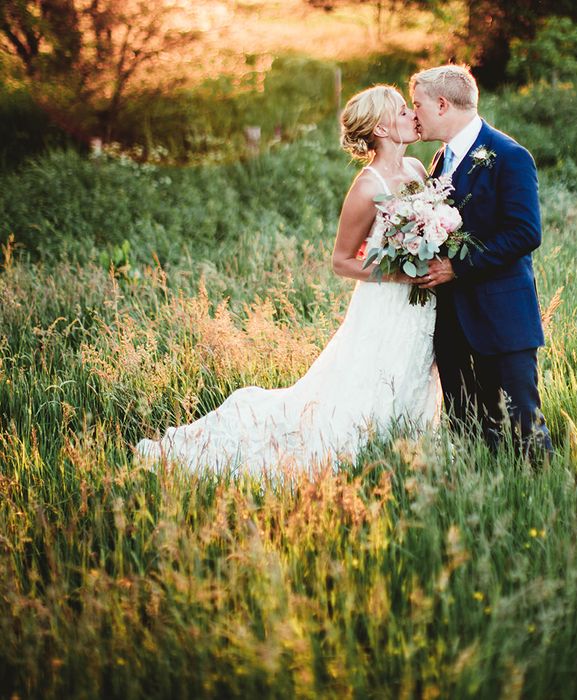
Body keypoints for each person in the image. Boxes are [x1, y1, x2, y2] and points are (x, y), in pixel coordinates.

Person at [135, 86, 440, 474]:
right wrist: (396, 274)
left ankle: (406, 449)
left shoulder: (416, 169)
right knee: (371, 375)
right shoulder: (367, 187)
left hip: (421, 303)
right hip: (385, 301)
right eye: (401, 112)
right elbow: (342, 261)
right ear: (381, 128)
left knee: (411, 369)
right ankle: (361, 450)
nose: (411, 116)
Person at [409, 64, 553, 461]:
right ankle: (482, 494)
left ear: (441, 104)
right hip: (453, 320)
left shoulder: (509, 155)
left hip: (503, 316)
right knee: (468, 427)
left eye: (417, 105)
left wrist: (458, 267)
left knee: (524, 424)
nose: (413, 113)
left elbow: (526, 233)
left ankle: (546, 497)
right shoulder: (440, 160)